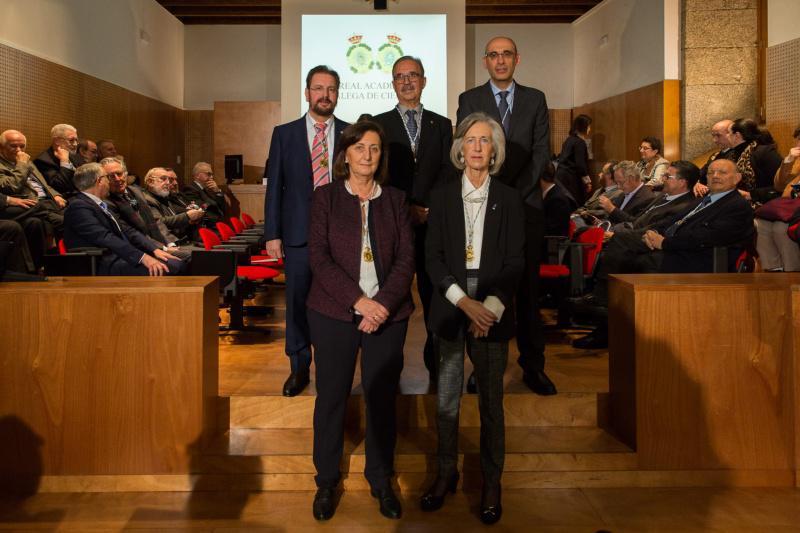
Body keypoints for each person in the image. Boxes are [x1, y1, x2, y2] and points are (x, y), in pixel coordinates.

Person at [306, 120, 414, 521]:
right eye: (359, 148)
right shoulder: (326, 198)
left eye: (374, 149)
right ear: (345, 154)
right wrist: (358, 302)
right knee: (332, 396)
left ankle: (381, 477)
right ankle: (327, 480)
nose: (367, 155)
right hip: (333, 312)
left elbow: (406, 260)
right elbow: (319, 257)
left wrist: (380, 304)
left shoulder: (396, 200)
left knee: (381, 397)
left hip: (388, 314)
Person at [422, 112, 525, 525]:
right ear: (460, 148)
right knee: (446, 402)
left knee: (491, 406)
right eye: (471, 139)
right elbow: (433, 258)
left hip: (492, 315)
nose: (478, 147)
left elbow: (516, 262)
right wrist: (465, 303)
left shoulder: (511, 198)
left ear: (495, 150)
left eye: (486, 140)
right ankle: (446, 473)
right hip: (451, 310)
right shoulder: (442, 196)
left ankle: (491, 481)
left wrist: (488, 310)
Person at [456, 35, 554, 396]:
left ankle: (533, 366)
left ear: (517, 59)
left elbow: (542, 151)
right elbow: (467, 150)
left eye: (506, 54)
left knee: (527, 291)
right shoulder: (469, 99)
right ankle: (482, 368)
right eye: (493, 55)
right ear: (485, 61)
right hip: (481, 207)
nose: (500, 61)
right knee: (484, 288)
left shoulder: (535, 99)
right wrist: (494, 193)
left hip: (526, 206)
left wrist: (513, 193)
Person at [264, 65, 349, 397]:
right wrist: (273, 233)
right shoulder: (284, 134)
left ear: (337, 94)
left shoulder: (350, 133)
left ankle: (333, 368)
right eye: (318, 88)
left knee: (339, 304)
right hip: (298, 236)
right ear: (307, 93)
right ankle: (299, 367)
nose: (324, 95)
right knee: (297, 304)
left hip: (340, 235)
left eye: (331, 89)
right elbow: (275, 189)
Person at [372, 56, 454, 382]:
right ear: (393, 84)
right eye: (400, 77)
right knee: (394, 294)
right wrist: (405, 208)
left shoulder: (442, 124)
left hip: (434, 226)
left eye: (413, 76)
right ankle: (389, 362)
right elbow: (377, 174)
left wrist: (429, 208)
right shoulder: (379, 124)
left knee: (435, 293)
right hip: (394, 225)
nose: (407, 82)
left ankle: (435, 360)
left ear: (423, 80)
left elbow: (449, 173)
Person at [572, 161, 701, 349]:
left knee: (617, 243)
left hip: (653, 241)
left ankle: (600, 300)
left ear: (682, 182)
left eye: (668, 176)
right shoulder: (664, 196)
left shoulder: (685, 204)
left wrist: (620, 233)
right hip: (636, 233)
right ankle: (600, 314)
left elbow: (656, 229)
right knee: (605, 245)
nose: (663, 179)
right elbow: (636, 221)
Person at [63, 163, 184, 276]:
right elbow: (105, 237)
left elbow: (127, 231)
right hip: (103, 262)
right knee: (171, 266)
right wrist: (143, 257)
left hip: (121, 256)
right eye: (107, 178)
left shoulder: (97, 204)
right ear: (99, 181)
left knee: (176, 262)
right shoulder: (78, 206)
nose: (110, 182)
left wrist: (154, 249)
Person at [0, 129, 67, 236]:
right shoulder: (15, 162)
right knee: (66, 221)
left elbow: (42, 184)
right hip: (30, 202)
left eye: (22, 146)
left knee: (75, 212)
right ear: (1, 147)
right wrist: (21, 164)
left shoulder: (27, 161)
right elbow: (11, 187)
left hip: (46, 201)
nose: (19, 150)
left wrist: (55, 194)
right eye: (13, 146)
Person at [755, 126, 800, 271]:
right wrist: (789, 160)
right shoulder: (797, 161)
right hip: (790, 206)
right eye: (798, 140)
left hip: (795, 212)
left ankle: (791, 272)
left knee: (781, 228)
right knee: (760, 224)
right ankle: (773, 272)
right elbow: (779, 185)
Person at [726, 118, 782, 196]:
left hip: (761, 202)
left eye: (728, 133)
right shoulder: (730, 154)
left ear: (737, 135)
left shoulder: (765, 152)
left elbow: (781, 185)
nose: (726, 136)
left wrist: (751, 195)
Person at [33, 124, 83, 196]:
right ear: (57, 141)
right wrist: (64, 162)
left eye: (76, 140)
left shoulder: (76, 156)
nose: (75, 144)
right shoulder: (43, 160)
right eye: (71, 140)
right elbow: (58, 186)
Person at [554, 114, 592, 205]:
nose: (590, 129)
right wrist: (588, 182)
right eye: (589, 126)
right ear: (584, 126)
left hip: (560, 176)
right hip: (570, 179)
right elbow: (580, 165)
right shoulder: (580, 142)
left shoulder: (569, 139)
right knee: (575, 204)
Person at [694, 119, 734, 195]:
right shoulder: (715, 155)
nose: (715, 140)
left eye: (718, 136)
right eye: (713, 136)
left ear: (731, 134)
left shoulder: (738, 156)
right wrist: (697, 183)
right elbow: (700, 173)